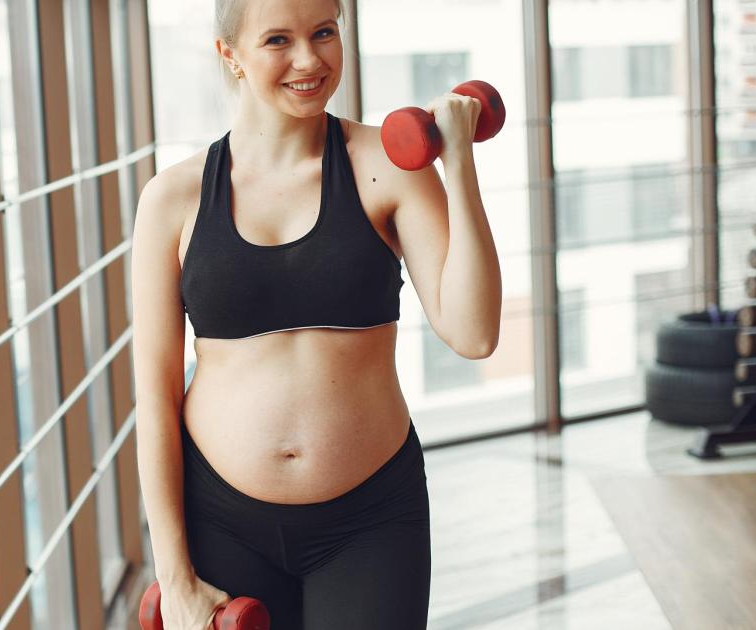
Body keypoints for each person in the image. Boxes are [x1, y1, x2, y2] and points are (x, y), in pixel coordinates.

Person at [129, 0, 502, 628]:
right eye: (278, 39)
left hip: (371, 520)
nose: (310, 60)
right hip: (220, 517)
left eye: (324, 32)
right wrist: (175, 577)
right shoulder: (172, 197)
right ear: (231, 55)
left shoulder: (387, 169)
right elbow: (155, 395)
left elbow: (474, 333)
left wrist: (458, 164)